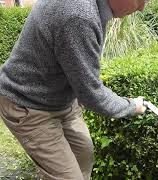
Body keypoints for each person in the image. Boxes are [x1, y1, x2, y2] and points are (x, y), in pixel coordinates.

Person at [0, 0, 148, 179]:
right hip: (27, 104)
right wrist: (132, 106)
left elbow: (79, 73)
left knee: (83, 155)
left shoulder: (91, 8)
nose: (141, 8)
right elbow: (92, 93)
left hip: (61, 102)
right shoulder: (79, 15)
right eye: (141, 0)